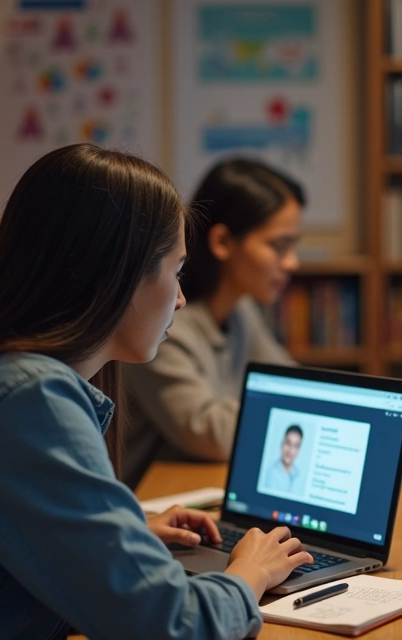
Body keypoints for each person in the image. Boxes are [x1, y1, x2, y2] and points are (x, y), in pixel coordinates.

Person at [0, 145, 313, 639]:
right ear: (121, 273)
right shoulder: (28, 401)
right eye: (178, 271)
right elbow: (172, 627)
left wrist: (121, 539)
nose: (182, 297)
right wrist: (250, 573)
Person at [123, 158, 304, 485]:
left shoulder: (242, 311)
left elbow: (292, 383)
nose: (292, 262)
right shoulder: (163, 326)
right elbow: (210, 434)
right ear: (222, 242)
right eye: (279, 246)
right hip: (150, 502)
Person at [261, 424, 304, 495]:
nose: (290, 450)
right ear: (282, 444)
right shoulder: (269, 472)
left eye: (296, 446)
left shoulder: (299, 475)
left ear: (299, 450)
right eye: (288, 443)